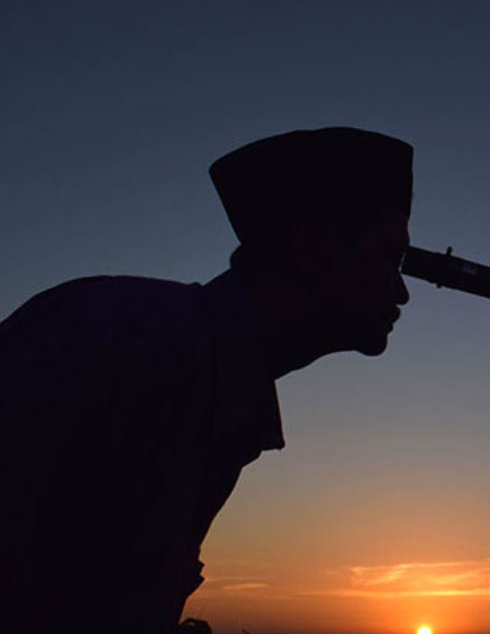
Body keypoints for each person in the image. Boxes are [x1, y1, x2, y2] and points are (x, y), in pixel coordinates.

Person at [0, 127, 413, 633]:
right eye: (389, 257)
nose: (401, 291)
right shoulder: (101, 339)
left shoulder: (222, 397)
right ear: (314, 246)